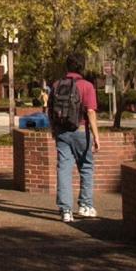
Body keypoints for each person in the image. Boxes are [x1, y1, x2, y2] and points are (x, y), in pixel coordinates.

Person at [49, 53, 100, 223]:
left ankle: (65, 210)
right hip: (80, 131)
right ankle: (86, 205)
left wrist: (54, 130)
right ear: (82, 66)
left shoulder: (56, 85)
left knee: (63, 169)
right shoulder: (87, 86)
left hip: (62, 132)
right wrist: (96, 136)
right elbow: (91, 112)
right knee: (86, 167)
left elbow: (50, 110)